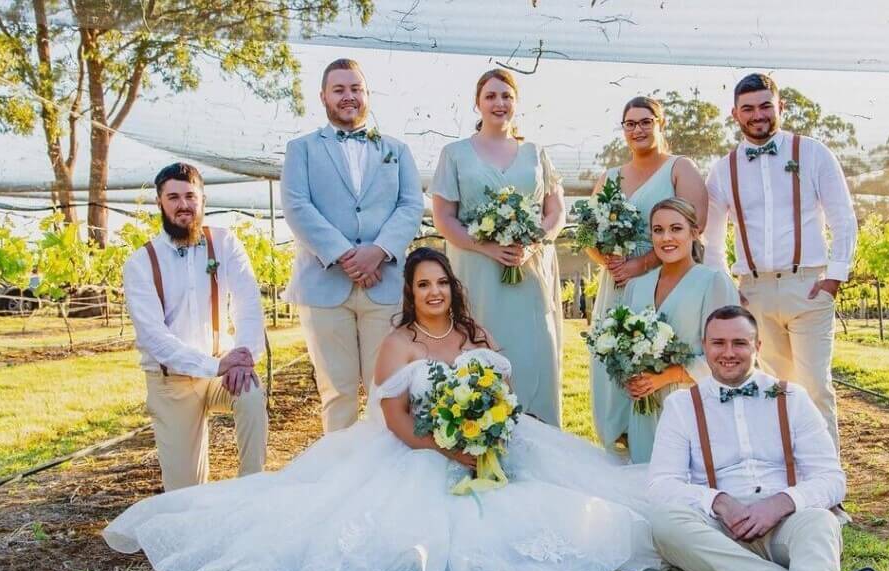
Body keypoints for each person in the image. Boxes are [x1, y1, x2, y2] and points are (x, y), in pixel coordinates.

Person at [104, 248, 665, 571]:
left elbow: (506, 396)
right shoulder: (397, 345)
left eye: (441, 283)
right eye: (423, 286)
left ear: (452, 287)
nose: (434, 293)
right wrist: (448, 448)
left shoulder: (477, 337)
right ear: (411, 294)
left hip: (490, 447)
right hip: (417, 452)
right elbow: (394, 420)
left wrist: (488, 435)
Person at [648, 305, 877, 571]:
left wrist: (781, 503)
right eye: (718, 343)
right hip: (719, 530)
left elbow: (832, 478)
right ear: (704, 347)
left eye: (739, 343)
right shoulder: (681, 406)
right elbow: (660, 485)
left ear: (757, 347)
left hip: (784, 524)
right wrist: (718, 502)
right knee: (664, 525)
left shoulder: (793, 398)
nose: (728, 353)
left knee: (820, 523)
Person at [703, 73, 857, 450]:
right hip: (752, 293)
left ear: (780, 107)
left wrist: (834, 278)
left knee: (815, 389)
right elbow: (711, 237)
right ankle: (786, 479)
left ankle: (827, 491)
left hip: (806, 286)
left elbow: (843, 217)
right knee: (773, 390)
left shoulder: (814, 153)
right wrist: (728, 291)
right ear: (735, 114)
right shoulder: (723, 169)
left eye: (765, 106)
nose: (758, 115)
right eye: (748, 108)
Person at [281, 57, 424, 434]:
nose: (349, 97)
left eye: (355, 88)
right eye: (339, 89)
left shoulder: (398, 150)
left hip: (385, 285)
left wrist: (377, 251)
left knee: (388, 390)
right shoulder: (302, 150)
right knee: (337, 393)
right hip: (323, 286)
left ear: (367, 94)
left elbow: (411, 205)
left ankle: (385, 477)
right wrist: (347, 256)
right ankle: (340, 482)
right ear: (324, 97)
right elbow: (297, 206)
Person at [430, 68, 565, 426]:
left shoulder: (537, 153)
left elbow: (556, 212)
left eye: (506, 96)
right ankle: (480, 431)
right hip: (476, 271)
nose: (499, 103)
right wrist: (487, 248)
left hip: (529, 271)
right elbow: (444, 217)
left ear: (516, 103)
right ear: (477, 104)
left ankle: (541, 432)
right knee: (481, 346)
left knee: (535, 349)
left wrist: (535, 242)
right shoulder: (455, 154)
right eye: (490, 96)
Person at [122, 163, 267, 491]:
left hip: (223, 370)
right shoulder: (141, 263)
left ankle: (252, 493)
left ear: (203, 200)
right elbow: (155, 338)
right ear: (160, 202)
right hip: (171, 382)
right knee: (185, 493)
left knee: (251, 392)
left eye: (190, 196)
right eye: (173, 197)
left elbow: (248, 303)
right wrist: (215, 365)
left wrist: (243, 357)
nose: (183, 204)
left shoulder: (225, 243)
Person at [588, 96, 709, 452]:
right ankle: (618, 444)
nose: (638, 129)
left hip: (665, 280)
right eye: (630, 123)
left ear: (661, 124)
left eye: (646, 121)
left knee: (656, 357)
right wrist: (609, 261)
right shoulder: (609, 177)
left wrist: (641, 265)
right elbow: (589, 234)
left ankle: (660, 445)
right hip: (617, 283)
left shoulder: (679, 168)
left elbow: (695, 223)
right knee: (612, 359)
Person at [621, 198, 739, 464]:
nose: (666, 238)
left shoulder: (713, 283)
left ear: (694, 233)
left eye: (676, 229)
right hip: (644, 412)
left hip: (694, 410)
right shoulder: (635, 287)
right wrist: (631, 376)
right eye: (658, 230)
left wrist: (667, 376)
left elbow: (728, 357)